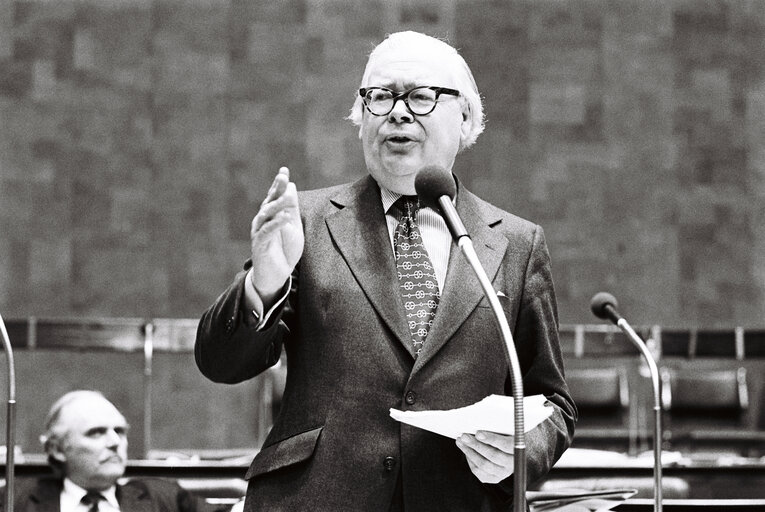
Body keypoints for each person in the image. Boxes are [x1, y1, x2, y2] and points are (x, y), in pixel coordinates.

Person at [195, 30, 576, 511]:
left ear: (464, 117)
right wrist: (265, 281)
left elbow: (553, 404)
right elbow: (220, 362)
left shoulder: (517, 244)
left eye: (420, 96)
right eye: (379, 97)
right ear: (361, 120)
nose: (397, 111)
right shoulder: (306, 223)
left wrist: (519, 453)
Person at [3, 390, 222, 512]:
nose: (115, 441)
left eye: (120, 431)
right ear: (57, 448)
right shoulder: (15, 500)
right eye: (96, 432)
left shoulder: (164, 498)